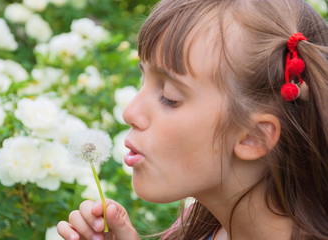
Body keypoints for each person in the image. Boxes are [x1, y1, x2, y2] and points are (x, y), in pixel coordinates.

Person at [57, 0, 328, 239]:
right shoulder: (192, 230)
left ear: (253, 137)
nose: (130, 112)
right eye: (142, 79)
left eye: (169, 97)